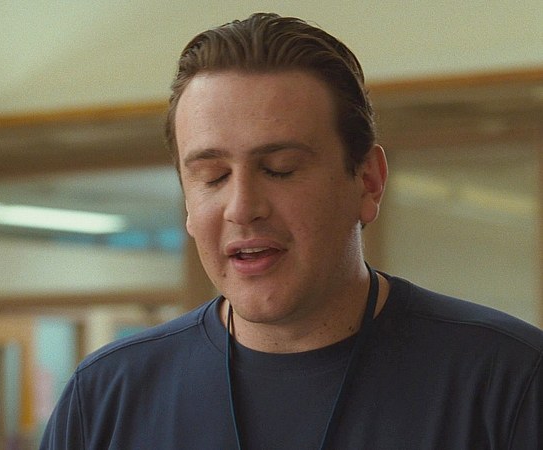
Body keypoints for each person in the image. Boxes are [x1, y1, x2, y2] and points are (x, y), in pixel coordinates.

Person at [39, 12, 543, 449]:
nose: (243, 208)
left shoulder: (509, 382)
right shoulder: (106, 397)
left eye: (280, 169)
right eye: (212, 177)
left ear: (367, 182)